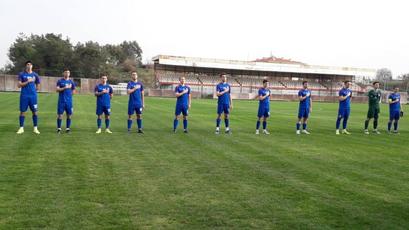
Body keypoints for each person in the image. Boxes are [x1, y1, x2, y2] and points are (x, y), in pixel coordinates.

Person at [16, 61, 41, 134]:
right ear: (26, 66)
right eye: (27, 64)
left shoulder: (35, 75)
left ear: (32, 66)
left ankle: (35, 128)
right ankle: (21, 128)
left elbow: (38, 85)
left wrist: (35, 90)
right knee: (22, 112)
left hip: (33, 96)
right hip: (24, 96)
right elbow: (19, 85)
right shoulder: (21, 74)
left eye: (30, 64)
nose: (29, 65)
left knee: (35, 112)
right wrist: (27, 81)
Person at [56, 68, 76, 133]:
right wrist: (65, 88)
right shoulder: (60, 81)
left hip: (69, 102)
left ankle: (68, 128)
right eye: (66, 72)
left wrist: (70, 94)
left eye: (68, 72)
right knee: (60, 115)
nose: (67, 73)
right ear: (63, 73)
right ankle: (59, 129)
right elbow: (57, 89)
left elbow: (74, 91)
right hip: (61, 101)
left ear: (69, 74)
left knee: (69, 115)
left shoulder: (71, 82)